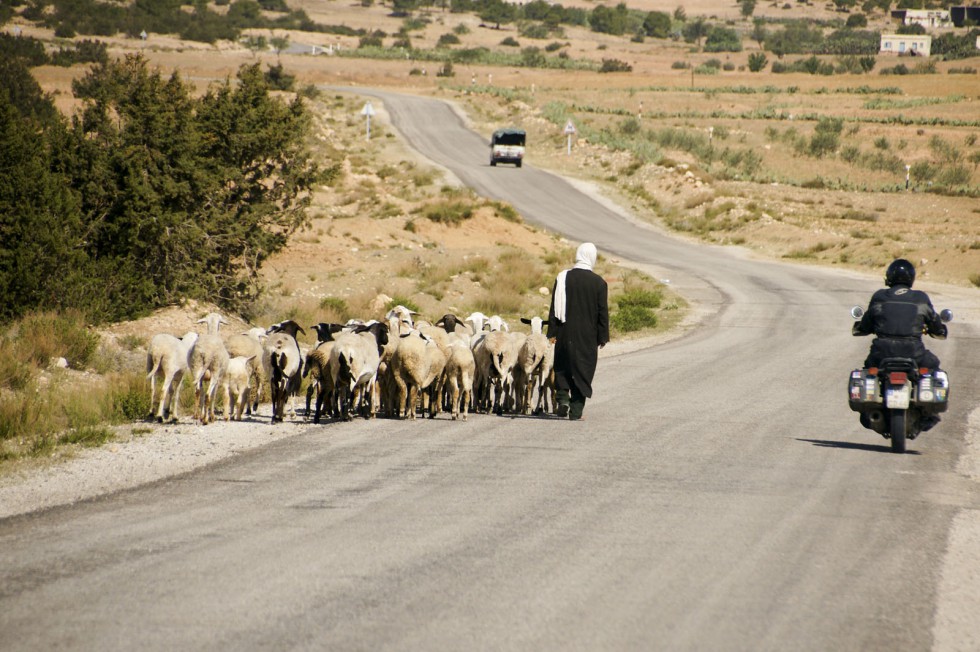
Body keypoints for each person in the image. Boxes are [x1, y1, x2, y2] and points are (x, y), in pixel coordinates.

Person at [852, 258, 946, 430]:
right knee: (933, 367)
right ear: (912, 278)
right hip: (914, 352)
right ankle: (929, 412)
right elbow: (935, 323)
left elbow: (865, 324)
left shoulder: (879, 296)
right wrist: (940, 330)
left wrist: (862, 327)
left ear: (889, 276)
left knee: (868, 370)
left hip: (882, 352)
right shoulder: (921, 298)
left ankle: (868, 411)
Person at [546, 242, 610, 421]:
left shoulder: (562, 277)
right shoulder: (599, 283)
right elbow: (602, 312)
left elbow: (554, 309)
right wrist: (603, 336)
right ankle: (576, 411)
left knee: (562, 366)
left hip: (564, 332)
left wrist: (552, 333)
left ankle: (562, 399)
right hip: (587, 336)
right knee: (583, 369)